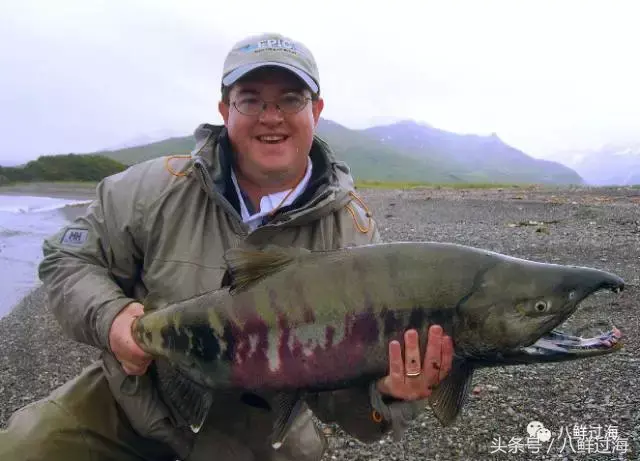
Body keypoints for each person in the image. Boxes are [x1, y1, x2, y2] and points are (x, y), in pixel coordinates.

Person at [0, 32, 454, 461]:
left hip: (264, 431)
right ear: (224, 109)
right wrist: (112, 318)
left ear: (316, 110)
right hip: (134, 398)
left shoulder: (353, 236)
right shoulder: (151, 189)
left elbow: (350, 404)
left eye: (290, 99)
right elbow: (67, 258)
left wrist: (389, 395)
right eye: (251, 99)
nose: (270, 116)